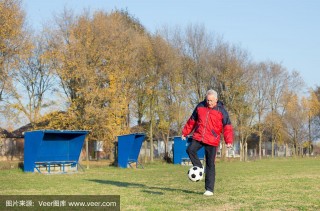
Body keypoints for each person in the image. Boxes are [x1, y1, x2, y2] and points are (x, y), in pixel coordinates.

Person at [182, 89, 233, 196]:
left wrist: (229, 141)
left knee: (210, 164)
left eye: (211, 101)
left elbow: (227, 127)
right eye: (207, 100)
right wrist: (185, 132)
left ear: (216, 100)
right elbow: (192, 120)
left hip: (212, 140)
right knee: (190, 150)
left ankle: (209, 189)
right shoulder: (200, 106)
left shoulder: (221, 110)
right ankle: (199, 168)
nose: (209, 103)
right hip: (199, 136)